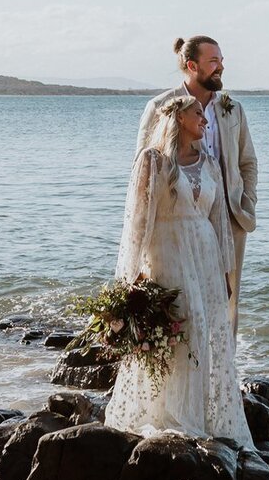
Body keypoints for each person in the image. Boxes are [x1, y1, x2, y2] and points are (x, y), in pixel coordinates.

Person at [104, 94, 253, 447]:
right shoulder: (152, 162)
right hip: (168, 253)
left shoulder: (210, 164)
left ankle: (201, 414)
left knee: (205, 331)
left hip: (204, 257)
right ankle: (167, 413)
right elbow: (136, 224)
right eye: (198, 114)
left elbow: (218, 225)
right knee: (180, 330)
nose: (205, 121)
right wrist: (129, 277)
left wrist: (226, 275)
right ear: (179, 119)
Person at [135, 37, 257, 333]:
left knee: (227, 302)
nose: (221, 67)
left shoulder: (233, 109)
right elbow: (142, 171)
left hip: (229, 218)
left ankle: (224, 374)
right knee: (181, 300)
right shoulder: (160, 107)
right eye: (213, 62)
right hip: (178, 221)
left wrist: (246, 205)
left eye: (221, 60)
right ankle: (185, 373)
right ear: (191, 65)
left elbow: (248, 162)